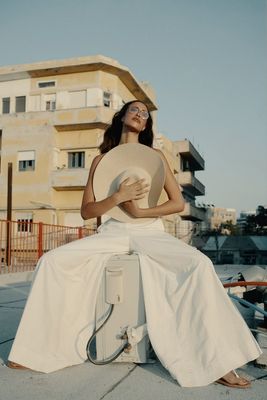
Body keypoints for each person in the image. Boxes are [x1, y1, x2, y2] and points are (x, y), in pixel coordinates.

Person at [7, 101, 261, 388]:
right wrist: (118, 196)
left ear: (146, 125)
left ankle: (217, 363)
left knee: (199, 264)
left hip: (150, 230)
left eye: (145, 114)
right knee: (51, 261)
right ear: (122, 117)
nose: (140, 114)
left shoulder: (156, 157)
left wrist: (140, 213)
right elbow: (87, 211)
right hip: (112, 231)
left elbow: (176, 203)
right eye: (135, 110)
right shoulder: (100, 160)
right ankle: (35, 351)